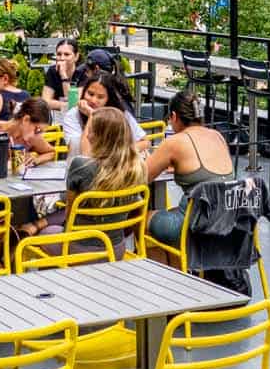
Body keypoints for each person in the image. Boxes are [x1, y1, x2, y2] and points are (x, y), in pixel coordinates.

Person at [144, 92, 235, 248]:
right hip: (228, 223)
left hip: (194, 225)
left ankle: (161, 270)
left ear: (173, 116)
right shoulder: (217, 136)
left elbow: (141, 176)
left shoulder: (175, 142)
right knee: (170, 212)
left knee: (139, 218)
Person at [59, 71, 147, 152]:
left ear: (109, 99)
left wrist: (119, 154)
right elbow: (83, 152)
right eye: (90, 94)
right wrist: (92, 115)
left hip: (114, 165)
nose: (93, 100)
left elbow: (144, 141)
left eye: (100, 97)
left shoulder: (118, 113)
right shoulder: (73, 115)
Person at [0, 96, 56, 172]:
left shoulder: (32, 137)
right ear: (26, 120)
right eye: (37, 130)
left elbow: (51, 152)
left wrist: (36, 160)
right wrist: (2, 165)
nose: (38, 135)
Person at [42, 37, 80, 107]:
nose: (62, 58)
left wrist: (63, 76)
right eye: (59, 54)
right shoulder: (52, 71)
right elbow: (46, 101)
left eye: (67, 54)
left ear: (76, 56)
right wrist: (66, 105)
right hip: (57, 114)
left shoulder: (82, 72)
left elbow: (73, 103)